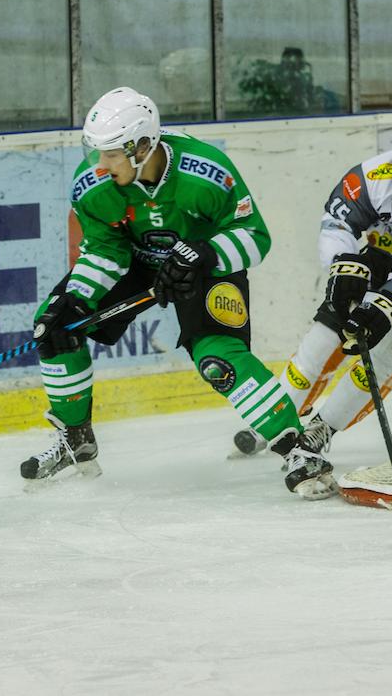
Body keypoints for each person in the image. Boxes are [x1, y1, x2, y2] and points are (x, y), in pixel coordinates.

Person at [23, 86, 332, 499]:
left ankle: (297, 450)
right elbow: (104, 248)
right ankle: (75, 440)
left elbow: (255, 237)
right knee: (58, 326)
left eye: (112, 153)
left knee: (218, 360)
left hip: (207, 265)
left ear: (144, 146)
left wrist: (205, 253)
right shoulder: (94, 184)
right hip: (137, 262)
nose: (101, 163)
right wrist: (76, 297)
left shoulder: (207, 171)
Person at [231, 117, 392, 478]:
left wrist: (380, 311)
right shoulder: (373, 176)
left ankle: (321, 430)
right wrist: (343, 264)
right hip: (387, 256)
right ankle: (275, 417)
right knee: (327, 331)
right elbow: (337, 223)